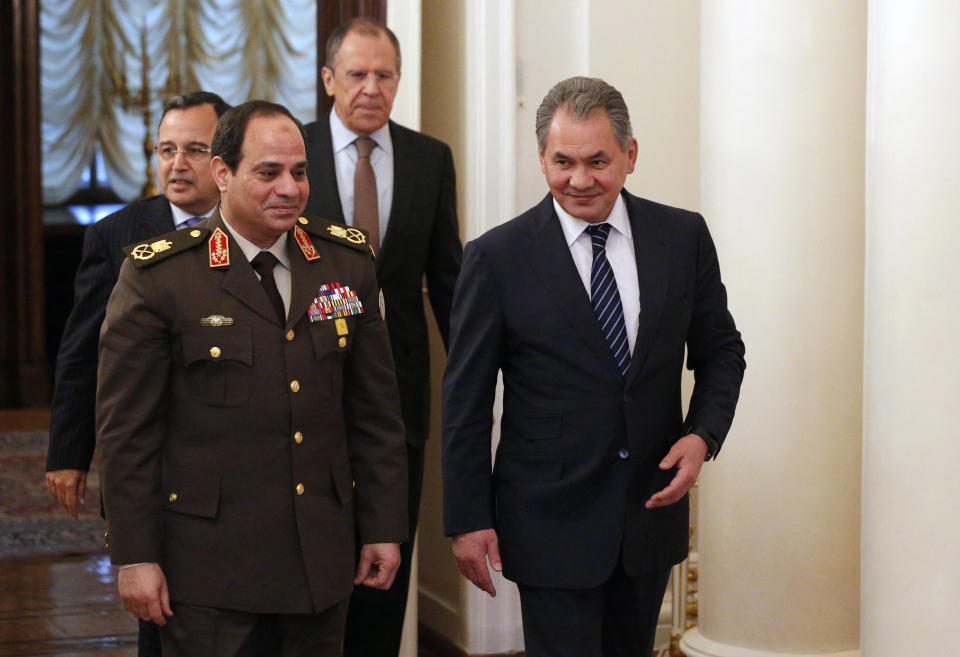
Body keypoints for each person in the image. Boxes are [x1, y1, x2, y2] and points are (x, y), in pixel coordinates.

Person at [441, 77, 746, 657]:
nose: (580, 180)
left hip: (647, 515)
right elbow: (466, 401)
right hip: (547, 521)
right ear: (541, 159)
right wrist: (466, 517)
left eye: (598, 161)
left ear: (630, 156)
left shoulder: (682, 237)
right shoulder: (496, 258)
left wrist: (702, 436)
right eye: (563, 162)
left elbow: (722, 350)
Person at [96, 100, 408, 657]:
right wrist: (135, 556)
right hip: (209, 571)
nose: (289, 188)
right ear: (223, 174)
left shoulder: (344, 263)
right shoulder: (160, 276)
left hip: (319, 560)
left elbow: (376, 413)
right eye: (268, 172)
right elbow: (127, 434)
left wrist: (383, 525)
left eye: (300, 171)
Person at [44, 90, 230, 657]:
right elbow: (82, 351)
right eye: (166, 149)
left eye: (195, 150)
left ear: (224, 160)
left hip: (237, 458)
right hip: (156, 459)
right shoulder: (117, 235)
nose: (177, 164)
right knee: (165, 617)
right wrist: (69, 451)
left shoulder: (253, 228)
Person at [303, 17, 462, 656]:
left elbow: (448, 281)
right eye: (357, 73)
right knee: (318, 550)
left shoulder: (430, 159)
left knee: (388, 548)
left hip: (400, 391)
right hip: (308, 385)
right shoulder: (296, 154)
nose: (371, 87)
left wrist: (478, 376)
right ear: (328, 80)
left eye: (384, 74)